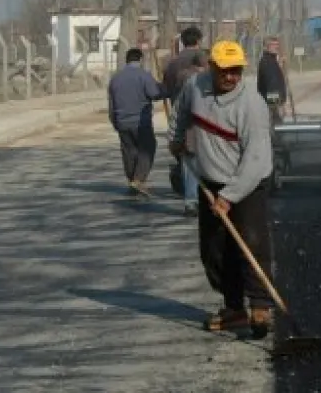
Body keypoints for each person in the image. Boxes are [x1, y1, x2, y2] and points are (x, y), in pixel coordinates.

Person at [170, 40, 276, 337]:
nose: (231, 77)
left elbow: (256, 159)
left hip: (247, 182)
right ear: (213, 67)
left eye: (237, 71)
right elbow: (180, 112)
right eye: (225, 71)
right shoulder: (195, 87)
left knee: (252, 244)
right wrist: (176, 139)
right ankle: (233, 308)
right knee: (214, 250)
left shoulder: (251, 105)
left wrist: (229, 197)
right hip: (210, 179)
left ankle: (260, 305)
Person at [107, 48, 164, 197]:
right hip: (140, 122)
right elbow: (155, 94)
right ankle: (138, 179)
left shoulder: (115, 78)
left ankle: (132, 180)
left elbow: (111, 104)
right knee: (147, 148)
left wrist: (114, 121)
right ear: (140, 60)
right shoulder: (144, 76)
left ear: (127, 60)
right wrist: (166, 89)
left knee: (129, 152)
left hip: (122, 122)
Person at [162, 26, 205, 215]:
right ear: (198, 40)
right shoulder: (204, 59)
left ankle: (190, 197)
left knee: (187, 157)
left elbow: (165, 88)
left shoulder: (172, 64)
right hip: (204, 114)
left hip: (181, 114)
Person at [256, 36, 288, 125]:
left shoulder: (272, 61)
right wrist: (276, 107)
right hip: (271, 107)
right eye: (272, 45)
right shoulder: (268, 62)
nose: (276, 47)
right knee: (276, 130)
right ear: (266, 47)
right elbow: (271, 85)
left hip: (272, 104)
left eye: (277, 44)